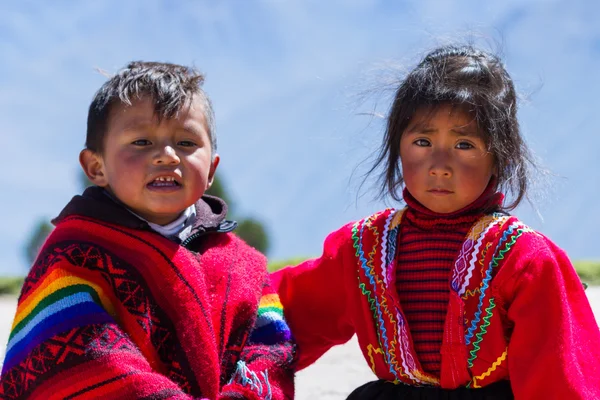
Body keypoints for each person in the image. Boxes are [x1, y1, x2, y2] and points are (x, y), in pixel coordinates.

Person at [272, 45, 600, 399]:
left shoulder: (525, 260)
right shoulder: (364, 250)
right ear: (399, 148)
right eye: (423, 141)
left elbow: (557, 380)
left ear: (500, 158)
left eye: (463, 144)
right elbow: (287, 314)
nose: (439, 164)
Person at [0, 61, 295, 399]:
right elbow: (86, 361)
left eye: (186, 143)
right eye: (141, 142)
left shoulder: (243, 264)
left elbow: (271, 353)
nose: (167, 156)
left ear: (212, 167)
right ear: (96, 167)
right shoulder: (72, 257)